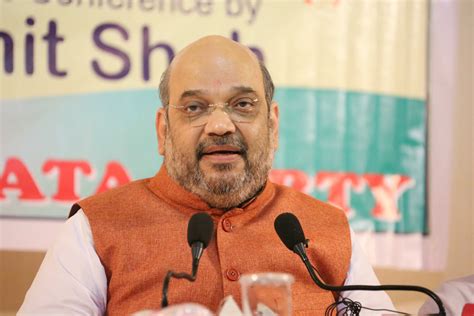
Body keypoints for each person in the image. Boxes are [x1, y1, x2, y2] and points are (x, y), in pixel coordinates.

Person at [19, 36, 394, 315]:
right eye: (195, 107)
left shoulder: (328, 227)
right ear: (163, 130)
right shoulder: (94, 227)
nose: (219, 125)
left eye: (243, 105)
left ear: (274, 126)